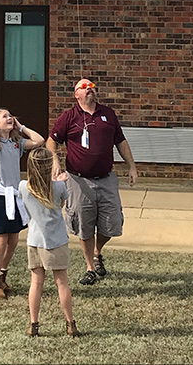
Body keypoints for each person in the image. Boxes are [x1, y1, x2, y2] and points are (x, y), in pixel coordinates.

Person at [46, 78, 137, 286]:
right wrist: (55, 162)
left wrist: (132, 166)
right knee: (83, 225)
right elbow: (51, 141)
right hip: (78, 181)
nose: (90, 90)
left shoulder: (108, 114)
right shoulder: (68, 117)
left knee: (112, 224)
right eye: (84, 88)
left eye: (92, 87)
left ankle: (97, 251)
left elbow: (121, 141)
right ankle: (90, 267)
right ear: (76, 94)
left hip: (106, 179)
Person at [0, 108, 44, 300]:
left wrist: (21, 127)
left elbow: (40, 141)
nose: (9, 118)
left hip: (14, 196)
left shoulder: (16, 143)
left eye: (11, 116)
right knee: (0, 242)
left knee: (13, 240)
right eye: (4, 117)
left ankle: (2, 274)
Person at [18, 147, 79, 338]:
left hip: (35, 240)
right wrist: (58, 181)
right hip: (57, 240)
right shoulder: (59, 187)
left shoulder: (23, 187)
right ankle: (70, 324)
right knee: (62, 283)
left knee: (36, 283)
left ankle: (33, 324)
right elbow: (60, 205)